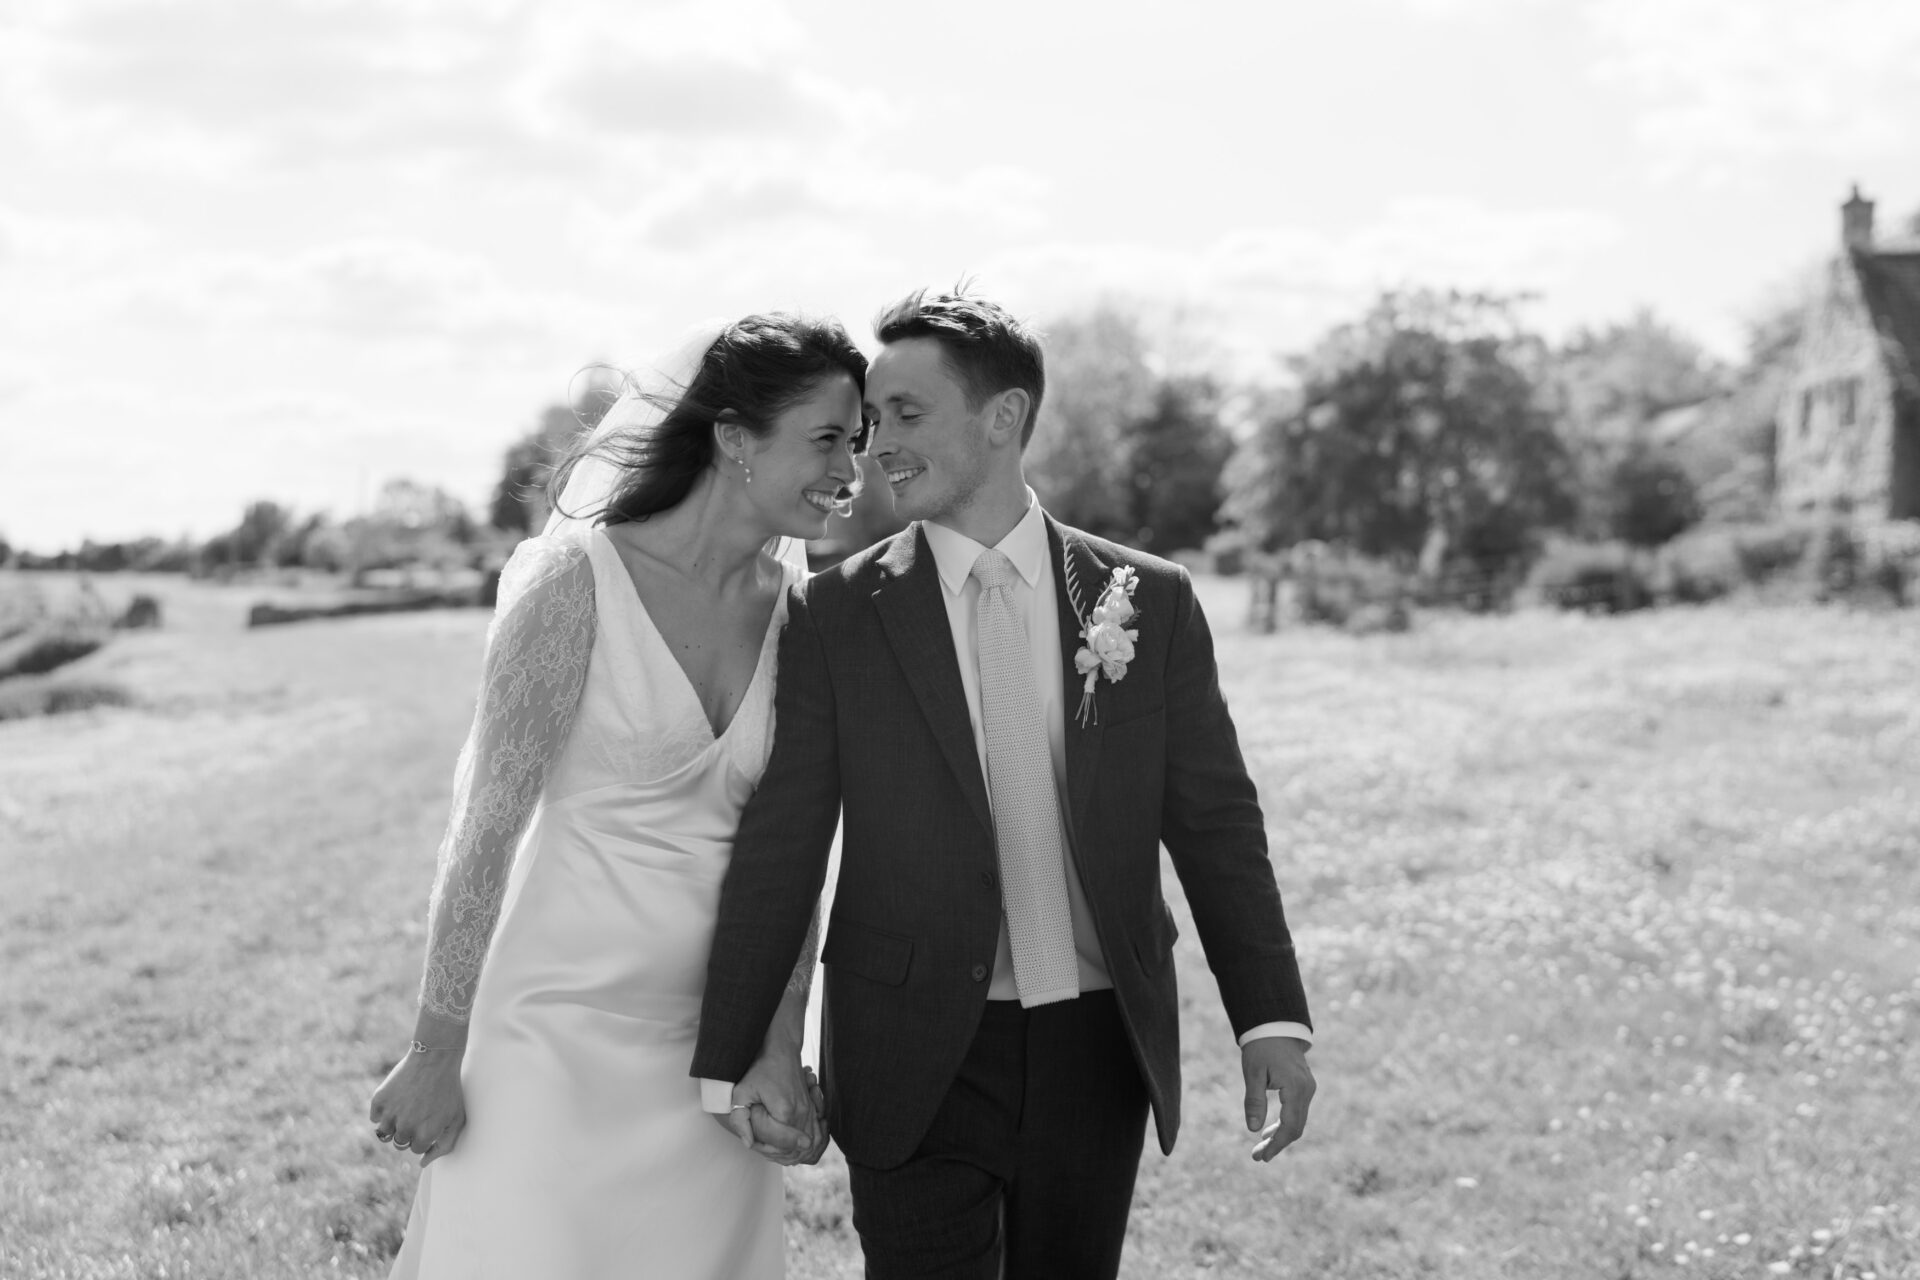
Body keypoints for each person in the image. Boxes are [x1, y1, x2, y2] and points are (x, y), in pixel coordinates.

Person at [693, 289, 1318, 1279]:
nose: (875, 446)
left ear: (1003, 419)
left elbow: (1215, 823)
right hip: (910, 1055)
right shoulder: (833, 615)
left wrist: (1269, 1014)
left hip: (1095, 1046)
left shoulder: (1144, 598)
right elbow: (785, 838)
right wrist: (738, 1049)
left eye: (905, 413)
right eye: (868, 421)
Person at [367, 313, 867, 1279]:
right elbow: (485, 833)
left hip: (709, 1053)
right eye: (825, 438)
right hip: (548, 1037)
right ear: (732, 437)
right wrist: (436, 1048)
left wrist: (774, 1041)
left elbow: (797, 852)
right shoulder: (576, 583)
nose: (850, 467)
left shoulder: (804, 612)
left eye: (856, 442)